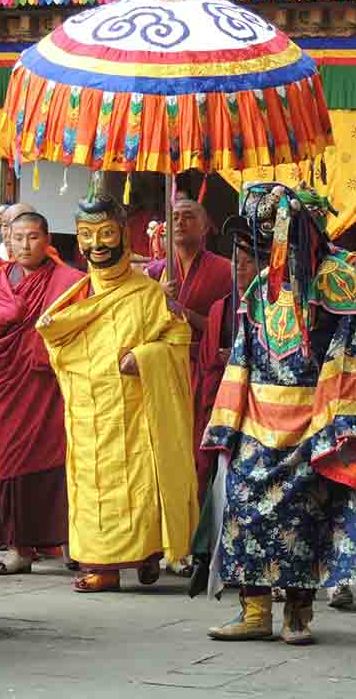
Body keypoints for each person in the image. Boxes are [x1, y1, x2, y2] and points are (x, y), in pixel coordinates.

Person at [203, 183, 356, 645]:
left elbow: (355, 353)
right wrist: (228, 419)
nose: (257, 253)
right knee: (245, 513)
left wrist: (337, 422)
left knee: (305, 518)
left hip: (313, 420)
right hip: (256, 421)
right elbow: (244, 353)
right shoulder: (261, 287)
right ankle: (254, 611)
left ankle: (297, 614)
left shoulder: (343, 282)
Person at [37, 193, 198, 593]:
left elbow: (178, 340)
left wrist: (146, 357)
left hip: (136, 409)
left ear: (124, 236)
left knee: (142, 482)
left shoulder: (147, 293)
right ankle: (102, 564)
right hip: (88, 409)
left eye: (106, 233)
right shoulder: (76, 294)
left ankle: (145, 553)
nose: (97, 245)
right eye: (87, 235)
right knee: (93, 485)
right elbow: (58, 341)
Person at [0, 211, 83, 575]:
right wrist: (12, 314)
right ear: (9, 241)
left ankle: (73, 542)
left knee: (63, 460)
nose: (25, 245)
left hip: (53, 386)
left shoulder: (70, 281)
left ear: (47, 240)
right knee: (10, 462)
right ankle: (19, 548)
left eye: (33, 237)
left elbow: (81, 327)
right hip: (9, 385)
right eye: (19, 238)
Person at [188, 216, 257, 597]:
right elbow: (207, 365)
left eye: (248, 259)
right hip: (223, 404)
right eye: (237, 259)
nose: (241, 267)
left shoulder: (278, 305)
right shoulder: (221, 308)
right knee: (218, 484)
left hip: (264, 411)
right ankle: (210, 559)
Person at [145, 198, 232, 498]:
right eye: (175, 217)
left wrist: (179, 309)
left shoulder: (226, 271)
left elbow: (226, 328)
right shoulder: (153, 273)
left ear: (205, 226)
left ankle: (195, 525)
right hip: (162, 368)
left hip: (202, 370)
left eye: (189, 217)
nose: (180, 222)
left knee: (196, 451)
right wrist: (154, 298)